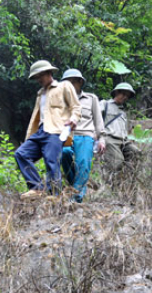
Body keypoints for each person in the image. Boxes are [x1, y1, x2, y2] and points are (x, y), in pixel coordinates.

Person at [14, 60, 81, 199]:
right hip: (40, 131)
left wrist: (74, 119)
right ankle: (37, 188)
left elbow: (76, 107)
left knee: (51, 160)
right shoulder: (40, 93)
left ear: (49, 73)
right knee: (21, 153)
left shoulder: (64, 86)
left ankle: (55, 196)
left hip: (56, 130)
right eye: (36, 77)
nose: (38, 79)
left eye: (40, 76)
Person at [59, 69, 106, 203]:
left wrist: (101, 138)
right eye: (68, 83)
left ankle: (76, 198)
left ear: (80, 82)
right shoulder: (61, 100)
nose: (71, 85)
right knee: (64, 153)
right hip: (67, 135)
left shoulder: (91, 99)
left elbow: (98, 120)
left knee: (83, 164)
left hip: (85, 135)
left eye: (74, 82)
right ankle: (79, 186)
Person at [99, 83, 140, 172]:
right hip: (110, 138)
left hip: (124, 141)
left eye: (127, 96)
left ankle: (127, 179)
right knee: (117, 163)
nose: (125, 97)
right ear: (117, 92)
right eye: (123, 94)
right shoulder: (104, 104)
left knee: (135, 152)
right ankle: (111, 181)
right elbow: (94, 117)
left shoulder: (123, 112)